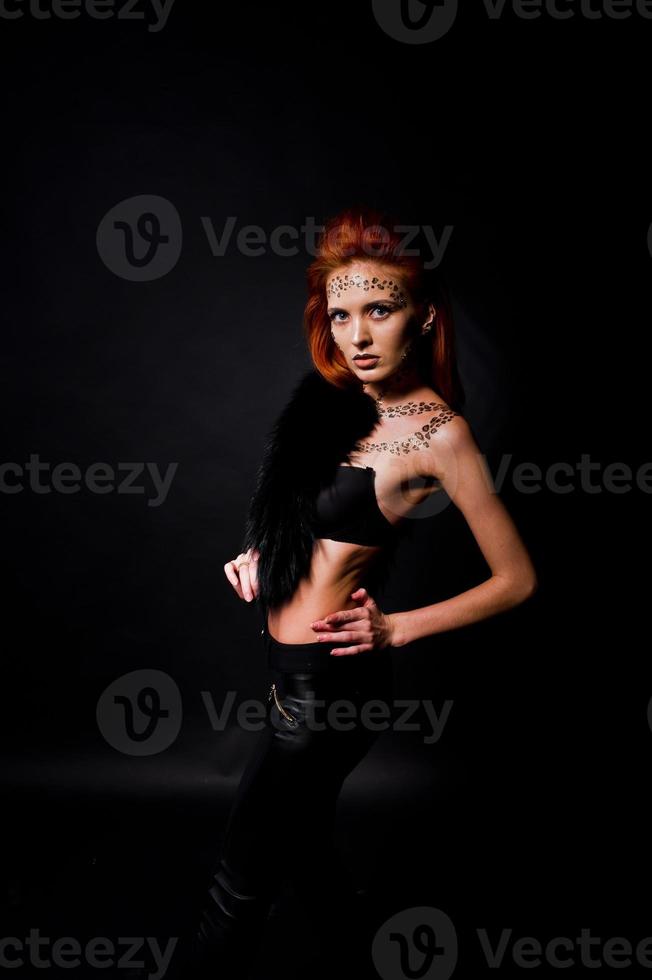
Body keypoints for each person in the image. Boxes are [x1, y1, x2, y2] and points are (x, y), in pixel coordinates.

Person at [183, 206, 538, 978]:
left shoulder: (438, 434)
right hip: (285, 677)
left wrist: (398, 628)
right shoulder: (331, 403)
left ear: (423, 316)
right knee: (304, 849)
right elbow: (312, 528)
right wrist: (259, 557)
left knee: (239, 878)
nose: (358, 336)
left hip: (328, 694)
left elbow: (519, 579)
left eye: (381, 310)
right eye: (342, 314)